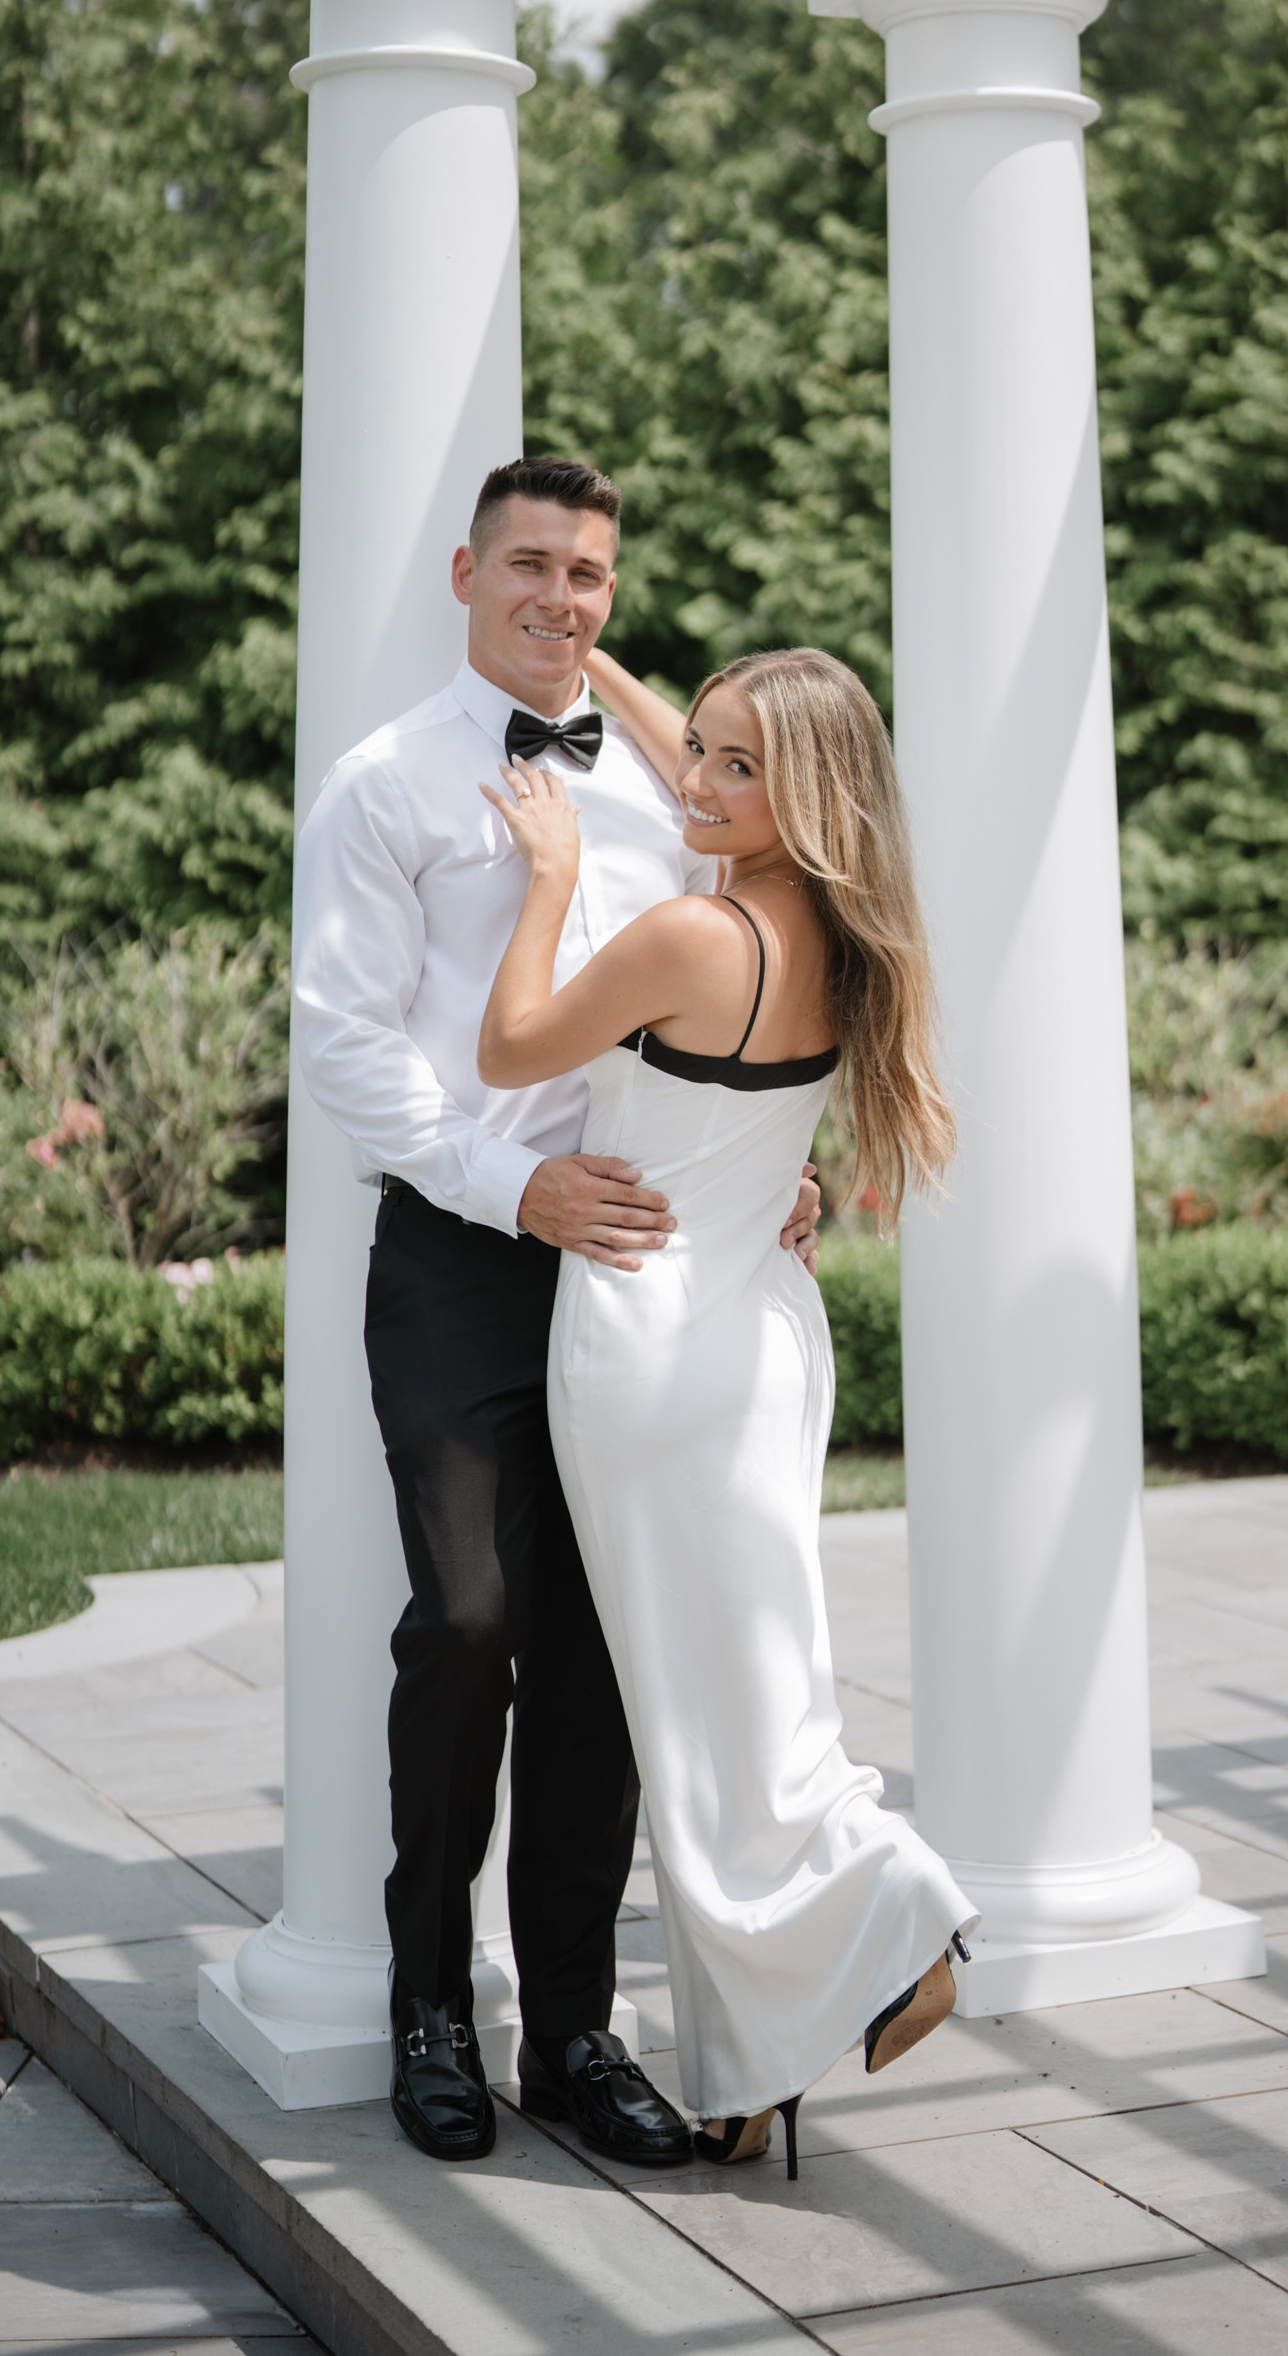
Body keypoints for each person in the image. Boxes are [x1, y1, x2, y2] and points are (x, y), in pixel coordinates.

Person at [290, 458, 820, 2169]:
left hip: (653, 1262)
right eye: (530, 565)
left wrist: (759, 1167)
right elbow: (350, 1041)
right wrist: (508, 1188)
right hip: (469, 1245)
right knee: (466, 1624)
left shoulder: (686, 791)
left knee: (611, 1641)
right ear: (464, 572)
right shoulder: (384, 785)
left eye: (588, 574)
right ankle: (434, 2004)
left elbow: (775, 952)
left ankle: (578, 2033)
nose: (559, 597)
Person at [478, 643, 975, 2176]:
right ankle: (751, 2060)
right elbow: (727, 753)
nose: (693, 781)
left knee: (704, 1717)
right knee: (741, 1685)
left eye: (732, 766)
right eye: (693, 748)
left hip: (649, 1347)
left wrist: (552, 874)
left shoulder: (693, 937)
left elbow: (509, 1049)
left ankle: (898, 1915)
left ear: (798, 795)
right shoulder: (842, 928)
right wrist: (606, 671)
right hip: (763, 1342)